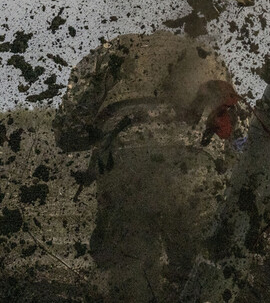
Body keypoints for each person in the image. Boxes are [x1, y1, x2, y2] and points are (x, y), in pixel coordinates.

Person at [53, 31, 246, 302]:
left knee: (127, 270)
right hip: (195, 168)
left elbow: (68, 129)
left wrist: (99, 134)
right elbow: (237, 135)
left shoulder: (111, 53)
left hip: (126, 163)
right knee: (204, 268)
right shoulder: (205, 54)